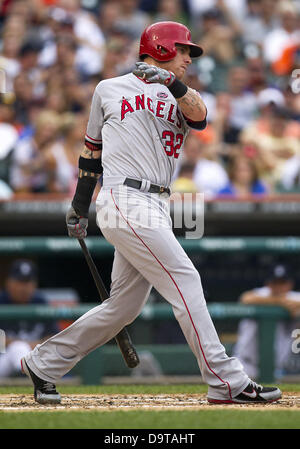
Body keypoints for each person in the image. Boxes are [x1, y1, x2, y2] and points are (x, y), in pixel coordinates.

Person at [21, 21, 281, 405]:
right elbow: (90, 152)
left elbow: (201, 117)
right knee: (185, 277)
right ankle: (226, 380)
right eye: (182, 51)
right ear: (159, 48)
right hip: (124, 197)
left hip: (158, 202)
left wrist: (171, 83)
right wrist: (79, 204)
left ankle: (43, 364)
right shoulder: (108, 89)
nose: (188, 59)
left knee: (123, 307)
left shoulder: (183, 94)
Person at [233, 264, 300, 380]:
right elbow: (245, 298)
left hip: (277, 369)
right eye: (275, 282)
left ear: (290, 284)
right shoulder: (260, 294)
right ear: (268, 284)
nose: (279, 287)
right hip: (245, 365)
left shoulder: (294, 298)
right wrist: (279, 302)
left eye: (282, 283)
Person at [0, 260, 59, 378]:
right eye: (19, 282)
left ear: (35, 284)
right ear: (8, 283)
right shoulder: (1, 301)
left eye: (27, 282)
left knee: (24, 350)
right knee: (18, 348)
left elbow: (52, 338)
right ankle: (30, 377)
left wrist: (27, 346)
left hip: (35, 357)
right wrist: (22, 345)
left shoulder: (41, 302)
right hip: (4, 359)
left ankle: (27, 376)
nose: (23, 288)